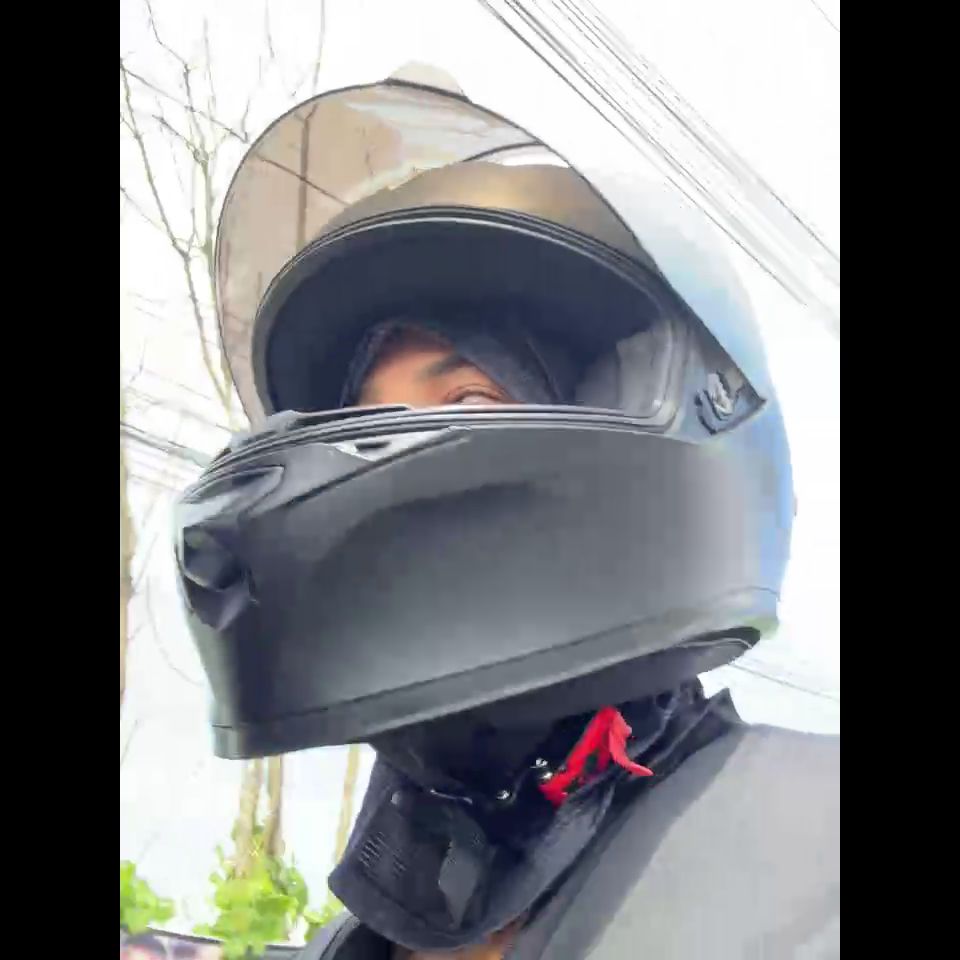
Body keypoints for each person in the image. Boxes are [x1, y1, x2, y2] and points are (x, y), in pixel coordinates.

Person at [175, 75, 839, 959]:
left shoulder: (815, 847)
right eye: (366, 425)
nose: (391, 462)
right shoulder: (352, 944)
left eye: (465, 399)